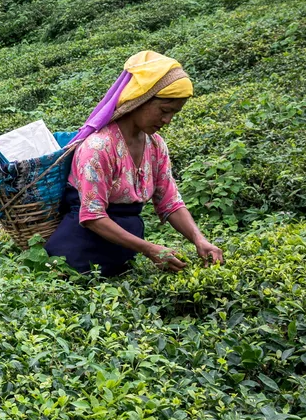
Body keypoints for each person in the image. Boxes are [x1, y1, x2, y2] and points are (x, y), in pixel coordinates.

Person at [44, 52, 224, 278]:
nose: (167, 121)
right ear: (141, 99)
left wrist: (200, 239)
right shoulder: (98, 147)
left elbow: (169, 201)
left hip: (125, 254)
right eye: (164, 110)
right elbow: (92, 217)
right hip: (78, 258)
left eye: (173, 114)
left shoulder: (155, 145)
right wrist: (150, 249)